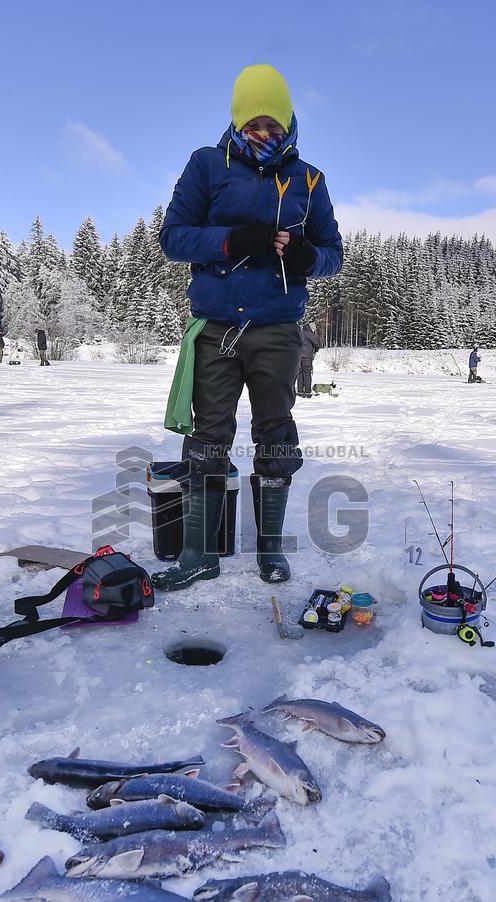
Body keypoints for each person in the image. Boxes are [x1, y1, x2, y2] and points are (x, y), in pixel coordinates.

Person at [153, 64, 343, 591]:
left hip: (279, 331)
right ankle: (197, 554)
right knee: (208, 438)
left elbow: (334, 256)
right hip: (217, 329)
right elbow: (173, 238)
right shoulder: (207, 165)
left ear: (289, 123)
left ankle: (270, 551)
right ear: (237, 121)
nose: (264, 136)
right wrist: (233, 242)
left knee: (276, 437)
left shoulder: (309, 179)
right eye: (253, 125)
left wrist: (307, 256)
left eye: (274, 126)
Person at [296, 320, 321, 397]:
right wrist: (315, 349)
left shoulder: (299, 332)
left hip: (298, 356)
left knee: (300, 374)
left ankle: (300, 391)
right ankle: (307, 391)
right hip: (307, 357)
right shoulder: (308, 333)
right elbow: (317, 342)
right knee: (307, 373)